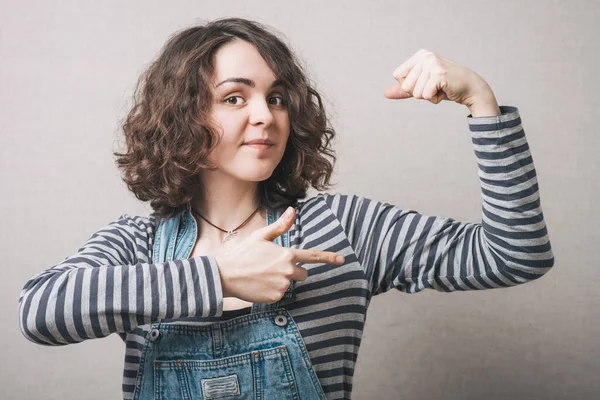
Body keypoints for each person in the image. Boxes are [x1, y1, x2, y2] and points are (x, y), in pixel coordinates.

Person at [18, 17, 554, 400]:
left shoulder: (341, 229)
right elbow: (39, 313)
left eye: (276, 97)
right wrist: (219, 276)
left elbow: (515, 255)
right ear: (182, 117)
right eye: (235, 97)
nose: (266, 116)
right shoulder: (136, 245)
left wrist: (482, 102)